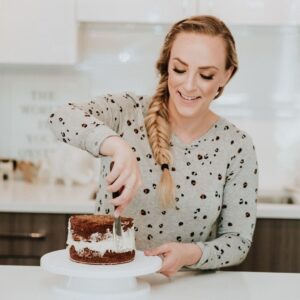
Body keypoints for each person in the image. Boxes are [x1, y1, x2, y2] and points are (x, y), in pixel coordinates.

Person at [49, 15, 258, 277]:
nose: (189, 85)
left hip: (187, 286)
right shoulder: (126, 112)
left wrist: (190, 254)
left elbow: (237, 242)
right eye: (180, 69)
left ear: (226, 76)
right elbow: (60, 116)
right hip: (112, 282)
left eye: (205, 75)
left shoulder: (236, 146)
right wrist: (115, 145)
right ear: (166, 66)